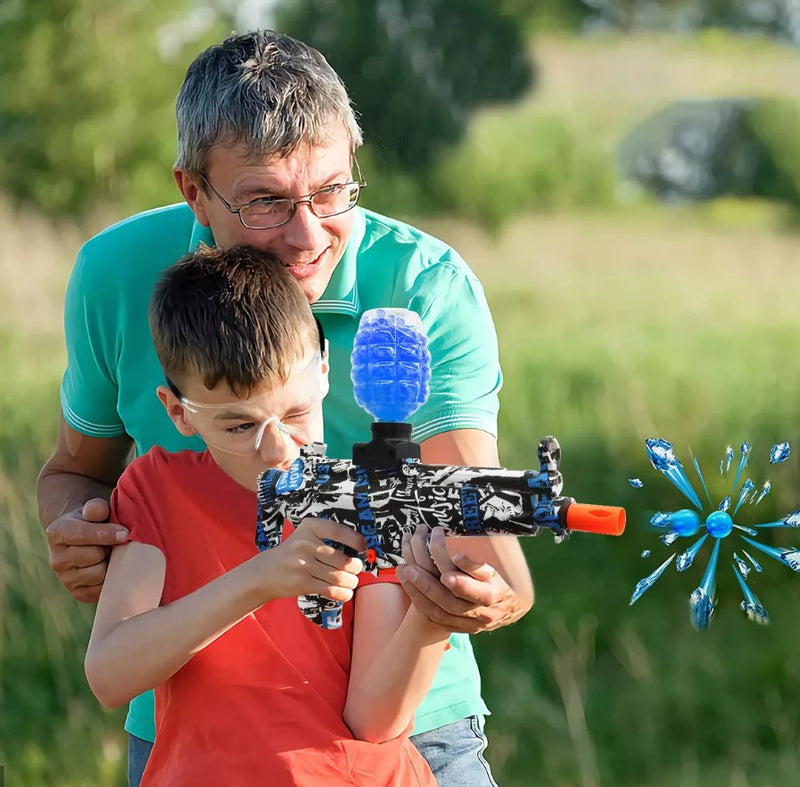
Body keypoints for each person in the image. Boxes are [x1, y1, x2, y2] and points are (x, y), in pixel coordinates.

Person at [37, 30, 534, 786]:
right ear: (193, 191)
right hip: (194, 729)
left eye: (331, 191)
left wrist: (487, 595)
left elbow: (471, 508)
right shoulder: (115, 275)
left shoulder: (422, 287)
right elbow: (75, 474)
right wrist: (77, 531)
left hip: (407, 727)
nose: (307, 236)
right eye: (266, 201)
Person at [85, 244, 449, 785]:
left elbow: (373, 722)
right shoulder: (158, 488)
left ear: (325, 370)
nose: (278, 449)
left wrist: (433, 614)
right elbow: (111, 675)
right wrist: (259, 579)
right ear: (177, 412)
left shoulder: (371, 497)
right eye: (238, 426)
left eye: (297, 413)